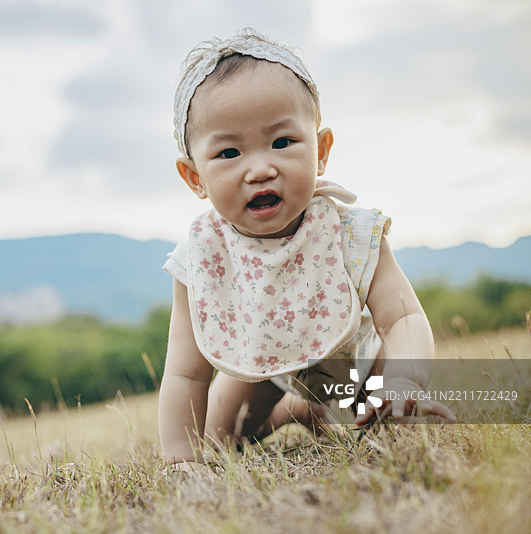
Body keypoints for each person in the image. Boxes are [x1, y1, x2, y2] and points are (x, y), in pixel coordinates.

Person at [159, 28, 456, 468]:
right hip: (264, 368)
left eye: (282, 142)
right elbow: (186, 373)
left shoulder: (348, 231)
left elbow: (404, 317)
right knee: (221, 439)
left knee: (381, 426)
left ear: (320, 150)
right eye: (228, 153)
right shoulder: (203, 257)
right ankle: (296, 409)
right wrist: (181, 461)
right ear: (194, 177)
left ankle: (328, 406)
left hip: (355, 369)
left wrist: (403, 381)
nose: (260, 169)